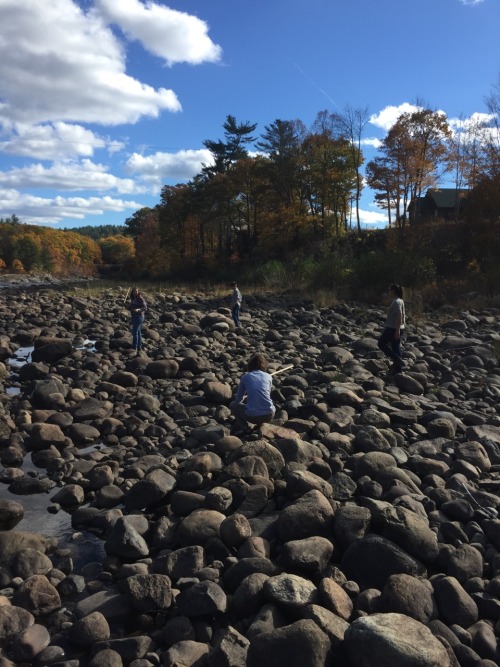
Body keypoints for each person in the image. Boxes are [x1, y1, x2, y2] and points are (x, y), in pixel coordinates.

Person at [230, 353, 275, 433]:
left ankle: (245, 428)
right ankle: (262, 426)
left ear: (250, 365)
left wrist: (245, 398)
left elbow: (238, 400)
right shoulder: (268, 376)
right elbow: (266, 393)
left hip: (253, 417)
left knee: (233, 405)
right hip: (269, 415)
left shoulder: (245, 377)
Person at [378, 283, 405, 373]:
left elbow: (399, 315)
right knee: (395, 347)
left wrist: (397, 331)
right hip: (399, 327)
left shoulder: (396, 301)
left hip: (393, 328)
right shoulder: (400, 300)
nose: (388, 292)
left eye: (389, 290)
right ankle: (398, 370)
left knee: (381, 344)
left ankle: (396, 359)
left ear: (393, 291)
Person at [129, 287, 147, 353]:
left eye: (136, 291)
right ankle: (139, 347)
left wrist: (138, 309)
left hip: (139, 317)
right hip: (134, 316)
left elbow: (145, 307)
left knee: (134, 332)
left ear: (138, 291)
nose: (135, 292)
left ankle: (134, 347)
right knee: (138, 332)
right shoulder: (133, 298)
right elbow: (131, 307)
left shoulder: (140, 298)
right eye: (134, 291)